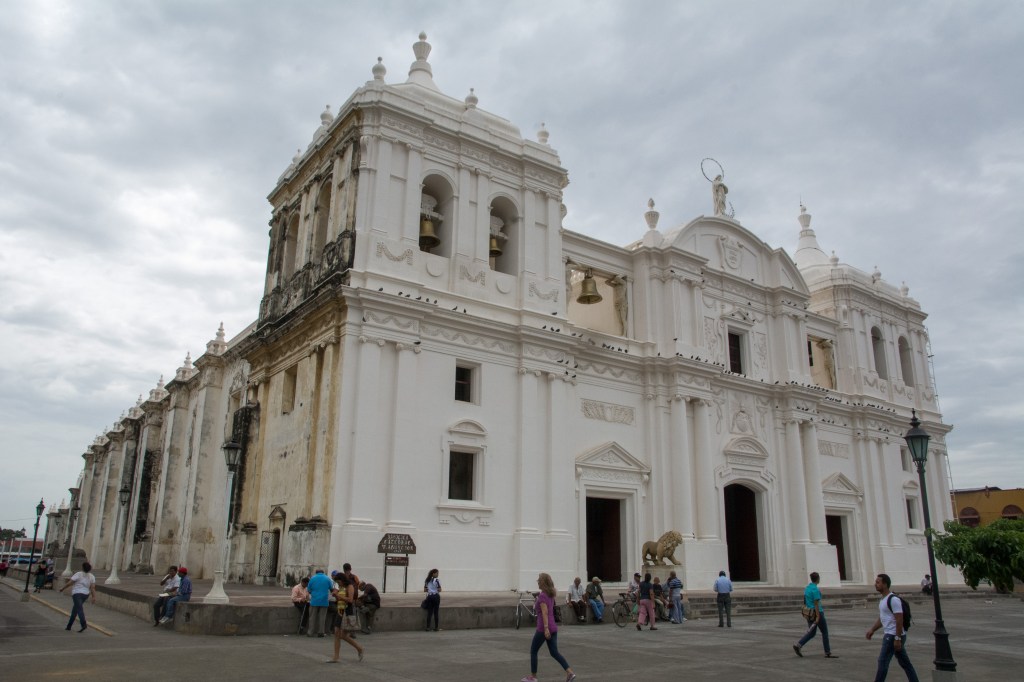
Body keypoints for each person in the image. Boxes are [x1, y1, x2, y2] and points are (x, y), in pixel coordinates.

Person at [521, 572, 576, 682]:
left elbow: (545, 612)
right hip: (553, 627)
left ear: (543, 582)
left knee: (533, 651)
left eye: (539, 580)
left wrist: (545, 628)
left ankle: (533, 677)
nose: (537, 582)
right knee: (554, 652)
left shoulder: (542, 596)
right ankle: (570, 672)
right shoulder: (550, 594)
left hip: (543, 628)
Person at [866, 573, 920, 682]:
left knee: (882, 662)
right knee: (905, 663)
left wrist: (897, 638)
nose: (875, 584)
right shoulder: (883, 600)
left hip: (892, 636)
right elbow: (883, 619)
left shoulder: (893, 599)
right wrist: (872, 629)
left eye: (878, 582)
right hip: (893, 636)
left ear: (885, 584)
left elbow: (899, 619)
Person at [794, 571, 836, 658]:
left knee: (812, 633)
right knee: (824, 632)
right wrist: (817, 616)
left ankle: (799, 645)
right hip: (817, 613)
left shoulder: (807, 588)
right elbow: (816, 603)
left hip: (809, 613)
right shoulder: (815, 590)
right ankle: (827, 652)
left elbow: (805, 600)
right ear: (818, 579)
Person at [328, 573, 364, 663]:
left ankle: (359, 648)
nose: (338, 583)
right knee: (337, 633)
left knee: (343, 635)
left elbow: (350, 600)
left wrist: (338, 596)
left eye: (339, 581)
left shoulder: (349, 586)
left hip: (347, 611)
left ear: (342, 579)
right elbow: (339, 599)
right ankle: (336, 657)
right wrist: (336, 595)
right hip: (339, 610)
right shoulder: (341, 587)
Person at [60, 561, 95, 632]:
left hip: (77, 593)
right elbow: (92, 588)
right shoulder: (92, 576)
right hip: (85, 594)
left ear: (82, 567)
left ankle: (83, 624)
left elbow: (70, 583)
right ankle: (69, 626)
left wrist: (63, 588)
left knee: (79, 609)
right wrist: (94, 596)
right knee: (75, 610)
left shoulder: (78, 574)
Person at [306, 568, 334, 637]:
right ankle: (321, 632)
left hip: (314, 601)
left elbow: (309, 590)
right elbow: (331, 589)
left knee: (312, 617)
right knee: (322, 618)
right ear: (323, 572)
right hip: (324, 601)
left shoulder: (312, 578)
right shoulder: (328, 579)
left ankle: (310, 632)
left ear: (316, 573)